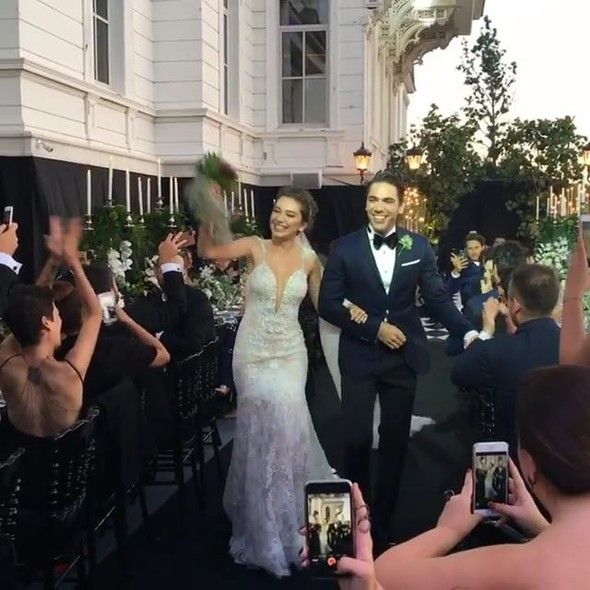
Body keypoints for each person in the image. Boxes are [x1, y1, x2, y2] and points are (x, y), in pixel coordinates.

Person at [314, 364, 590, 589]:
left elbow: (386, 574)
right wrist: (540, 526)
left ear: (530, 465)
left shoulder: (516, 566)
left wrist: (449, 530)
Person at [318, 170, 475, 552]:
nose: (379, 207)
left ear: (400, 206)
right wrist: (375, 328)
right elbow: (327, 304)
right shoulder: (344, 248)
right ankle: (360, 518)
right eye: (373, 199)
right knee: (356, 440)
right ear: (365, 204)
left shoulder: (417, 246)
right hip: (360, 354)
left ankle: (383, 524)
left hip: (403, 358)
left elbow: (436, 298)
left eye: (388, 200)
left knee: (394, 443)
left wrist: (468, 331)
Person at [198, 186, 337, 577]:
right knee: (261, 428)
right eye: (277, 210)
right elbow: (208, 251)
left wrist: (363, 313)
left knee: (289, 420)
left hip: (291, 353)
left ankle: (292, 514)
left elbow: (325, 305)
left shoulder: (310, 260)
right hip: (252, 354)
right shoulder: (253, 246)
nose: (280, 218)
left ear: (303, 224)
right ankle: (262, 526)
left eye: (290, 214)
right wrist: (209, 210)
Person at [0, 218, 102, 437]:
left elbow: (28, 311)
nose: (60, 320)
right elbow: (94, 314)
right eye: (56, 314)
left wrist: (54, 261)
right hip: (67, 458)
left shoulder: (6, 364)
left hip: (19, 457)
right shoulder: (69, 374)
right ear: (46, 323)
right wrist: (74, 263)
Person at [452, 263, 560, 454]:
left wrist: (487, 330)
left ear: (515, 305)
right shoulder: (573, 345)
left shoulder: (497, 350)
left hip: (515, 453)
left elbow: (460, 372)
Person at [445, 231, 486, 307]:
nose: (474, 251)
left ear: (482, 247)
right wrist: (456, 271)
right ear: (466, 250)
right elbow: (450, 291)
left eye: (476, 247)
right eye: (470, 248)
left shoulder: (489, 266)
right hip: (470, 310)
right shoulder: (463, 269)